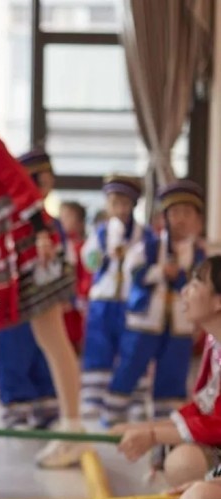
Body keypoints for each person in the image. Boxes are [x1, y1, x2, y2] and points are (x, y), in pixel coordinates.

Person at [0, 122, 84, 468]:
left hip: (24, 240)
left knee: (51, 335)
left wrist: (43, 231)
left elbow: (15, 177)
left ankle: (73, 430)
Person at [112, 255, 221, 499]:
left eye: (195, 283)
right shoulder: (214, 344)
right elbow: (206, 409)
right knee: (192, 490)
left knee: (194, 489)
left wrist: (152, 433)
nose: (184, 292)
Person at [102, 181, 206, 438]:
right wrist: (160, 272)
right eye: (175, 213)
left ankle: (163, 426)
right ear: (163, 218)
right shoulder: (148, 247)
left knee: (173, 372)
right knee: (130, 364)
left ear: (198, 221)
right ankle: (113, 416)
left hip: (179, 324)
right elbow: (133, 271)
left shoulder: (199, 254)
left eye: (187, 213)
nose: (180, 219)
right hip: (144, 321)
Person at [0, 148, 58, 432]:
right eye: (37, 179)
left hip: (44, 296)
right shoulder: (14, 217)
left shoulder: (47, 219)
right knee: (14, 350)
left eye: (46, 178)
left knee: (44, 350)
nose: (44, 185)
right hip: (15, 297)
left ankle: (45, 406)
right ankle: (16, 408)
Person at [81, 175, 148, 420]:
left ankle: (131, 399)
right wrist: (104, 253)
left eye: (124, 203)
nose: (119, 208)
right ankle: (94, 398)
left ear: (133, 205)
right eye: (114, 203)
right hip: (103, 298)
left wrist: (133, 258)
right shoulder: (99, 232)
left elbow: (148, 263)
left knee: (132, 350)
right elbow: (89, 262)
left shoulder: (143, 234)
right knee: (98, 346)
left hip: (131, 299)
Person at [59, 201, 91, 352]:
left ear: (79, 222)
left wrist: (78, 295)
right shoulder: (59, 246)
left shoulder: (84, 247)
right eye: (62, 215)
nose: (63, 219)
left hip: (75, 305)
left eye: (68, 216)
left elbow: (86, 275)